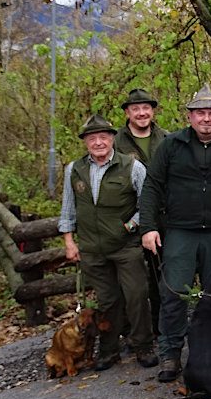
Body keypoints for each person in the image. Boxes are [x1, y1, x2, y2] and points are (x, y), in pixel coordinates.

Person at [139, 85, 211, 382]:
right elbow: (152, 186)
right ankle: (170, 353)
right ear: (190, 116)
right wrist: (149, 227)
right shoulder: (171, 146)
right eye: (200, 113)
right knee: (174, 294)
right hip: (180, 232)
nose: (206, 119)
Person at [59, 114, 156, 370]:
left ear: (113, 139)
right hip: (92, 249)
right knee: (107, 301)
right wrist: (69, 241)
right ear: (85, 142)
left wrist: (131, 226)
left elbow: (147, 204)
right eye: (92, 138)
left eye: (103, 137)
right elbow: (68, 209)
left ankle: (143, 345)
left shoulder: (132, 167)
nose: (98, 142)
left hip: (126, 246)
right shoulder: (74, 170)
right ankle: (109, 349)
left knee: (136, 295)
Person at [114, 88, 168, 345]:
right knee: (133, 277)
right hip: (130, 218)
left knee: (161, 273)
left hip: (162, 216)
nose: (142, 113)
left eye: (146, 108)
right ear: (127, 112)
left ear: (153, 110)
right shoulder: (115, 143)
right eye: (136, 109)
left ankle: (162, 324)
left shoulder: (166, 138)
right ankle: (131, 329)